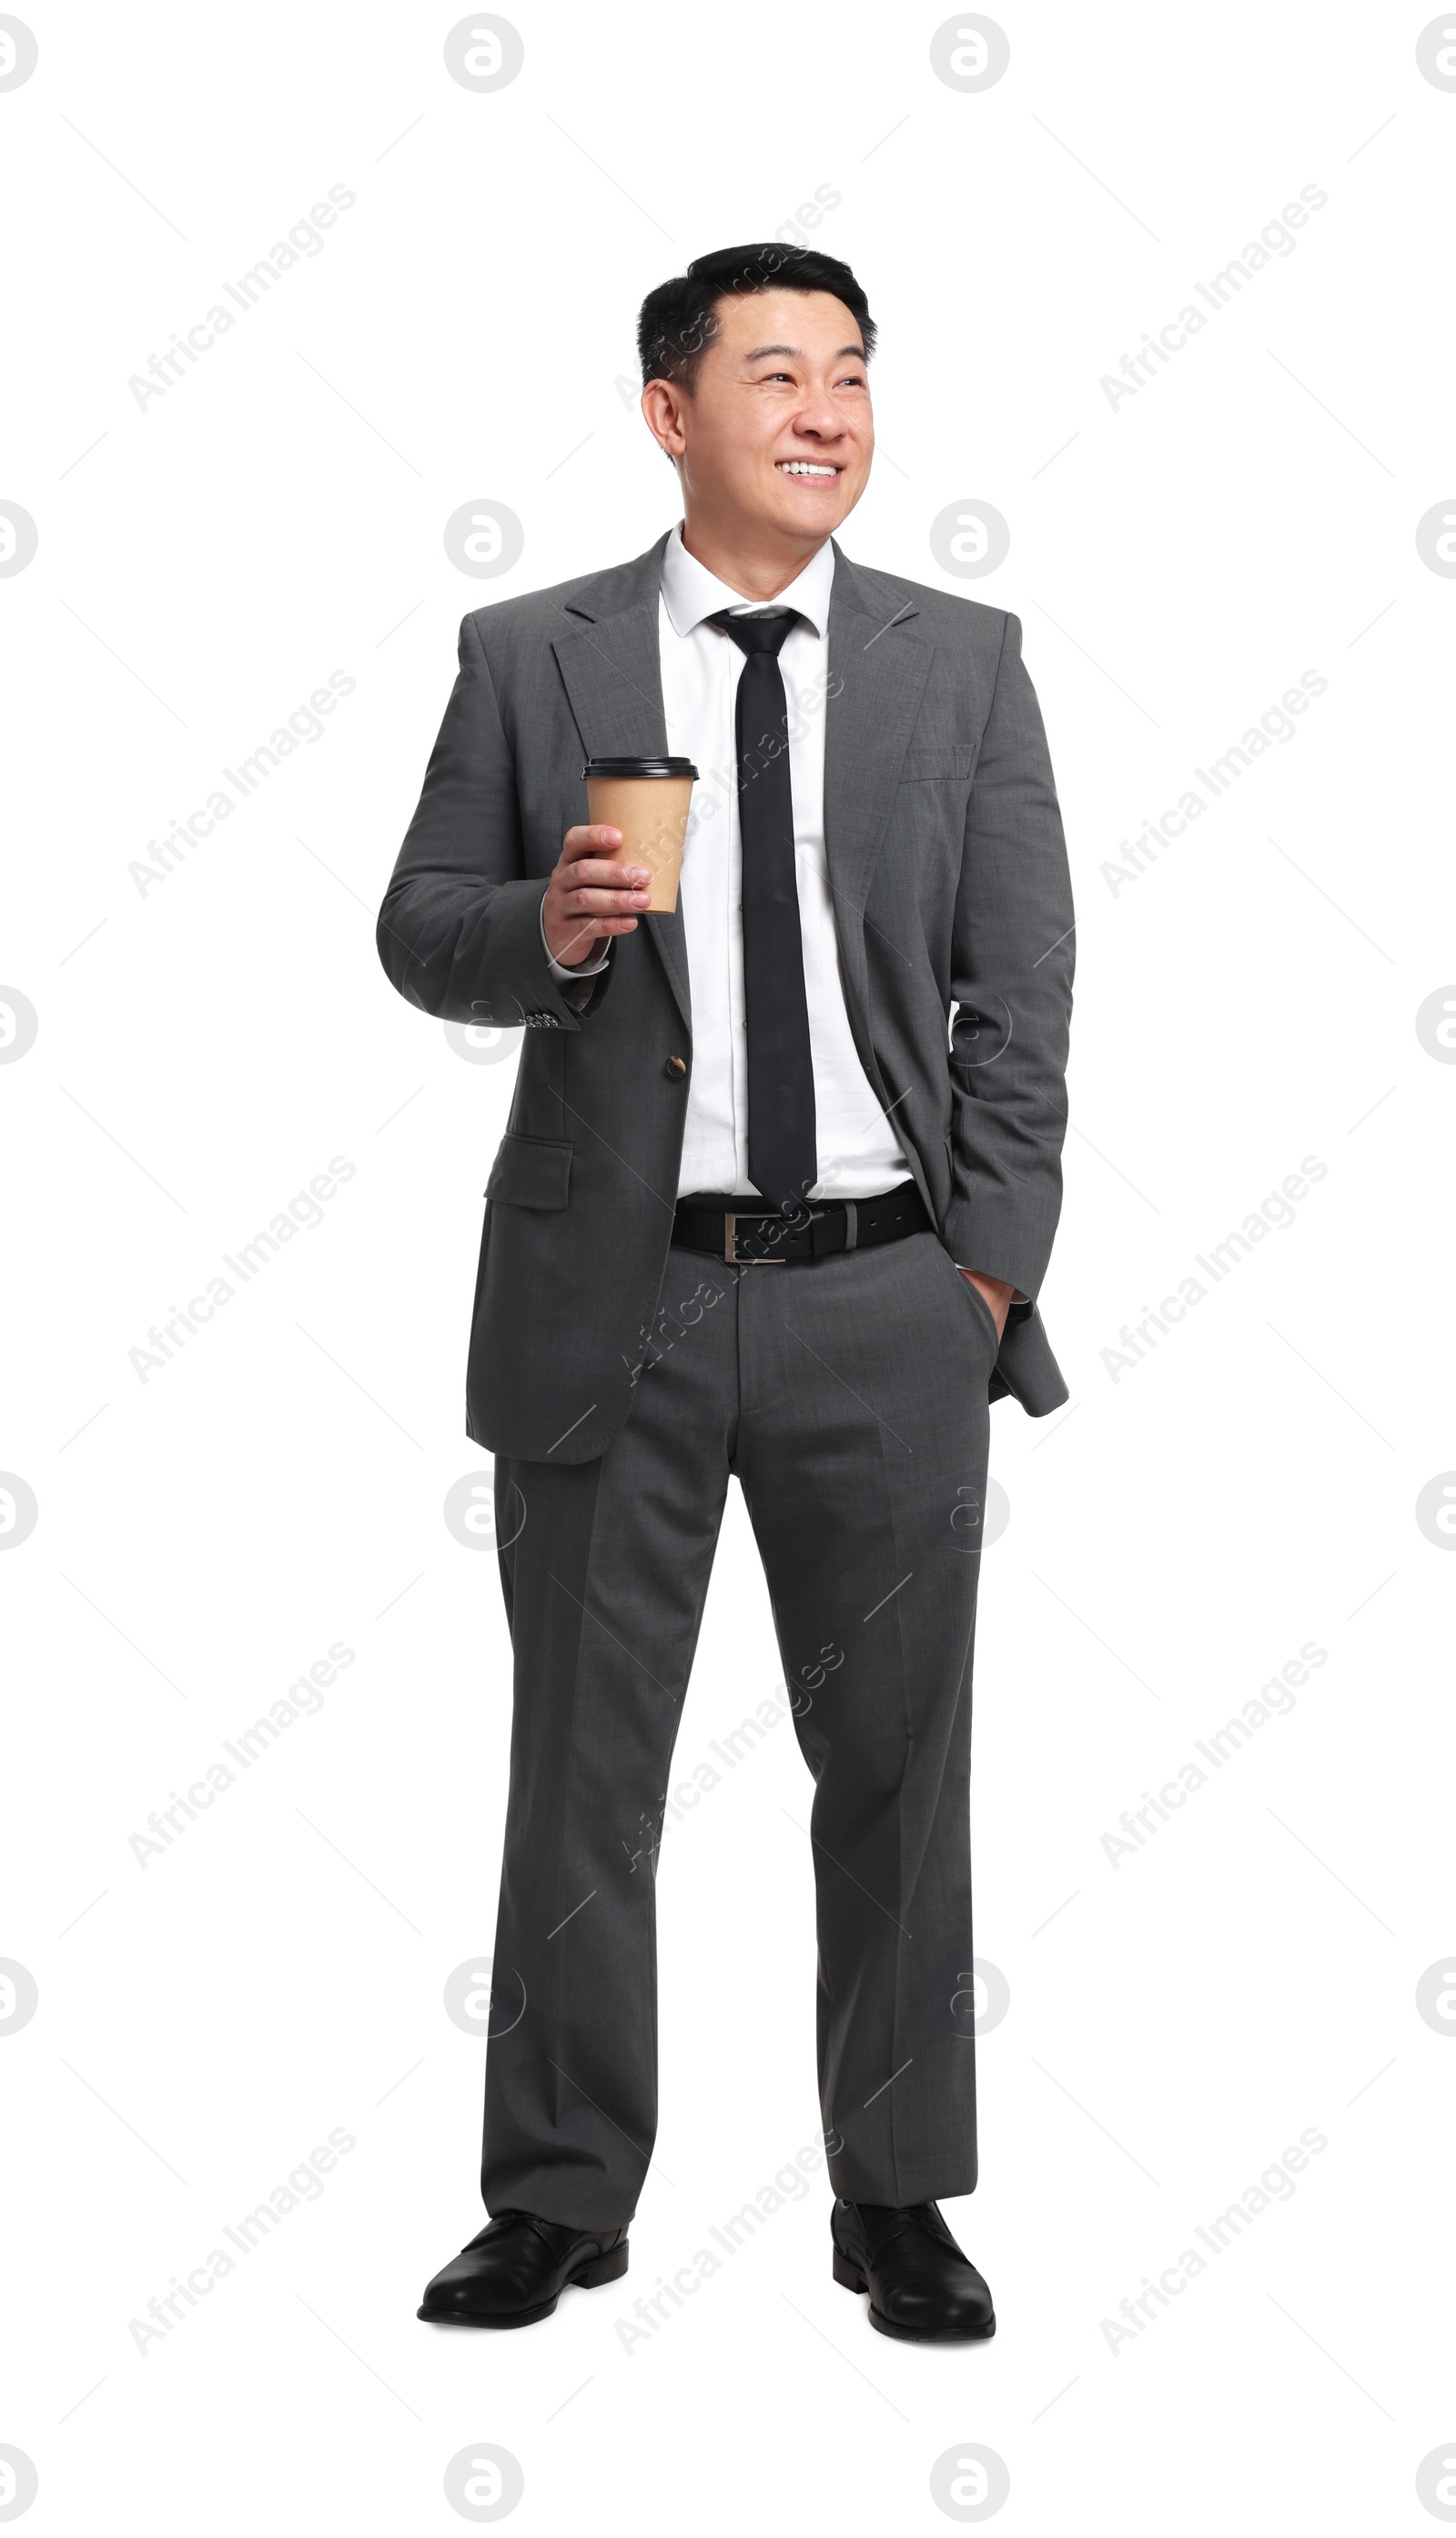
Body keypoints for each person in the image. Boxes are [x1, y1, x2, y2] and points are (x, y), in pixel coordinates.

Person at [376, 243, 1074, 2343]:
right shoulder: (536, 654)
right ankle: (559, 2192)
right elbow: (420, 926)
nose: (825, 412)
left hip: (884, 1302)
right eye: (773, 374)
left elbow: (1015, 999)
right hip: (618, 1299)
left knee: (894, 1766)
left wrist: (983, 1276)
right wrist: (547, 928)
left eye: (850, 374)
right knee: (578, 1773)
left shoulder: (962, 662)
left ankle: (896, 2194)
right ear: (668, 411)